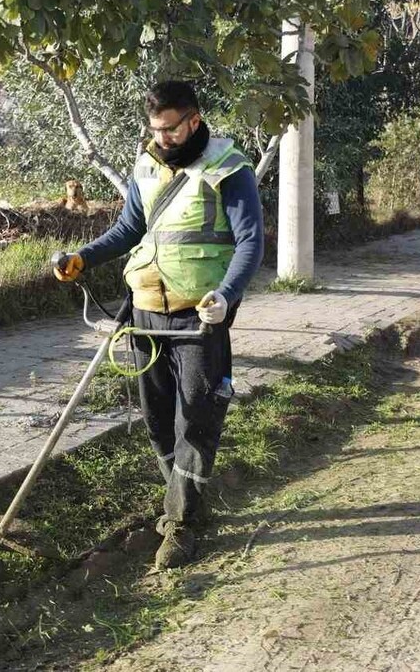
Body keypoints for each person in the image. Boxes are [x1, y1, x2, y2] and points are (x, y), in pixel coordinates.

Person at [53, 80, 265, 569]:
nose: (162, 138)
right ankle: (187, 503)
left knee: (195, 420)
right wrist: (84, 258)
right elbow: (130, 228)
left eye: (170, 129)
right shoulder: (146, 164)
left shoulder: (227, 168)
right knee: (156, 422)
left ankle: (180, 525)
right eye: (155, 129)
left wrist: (227, 296)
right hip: (145, 309)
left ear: (193, 120)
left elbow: (251, 242)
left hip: (199, 316)